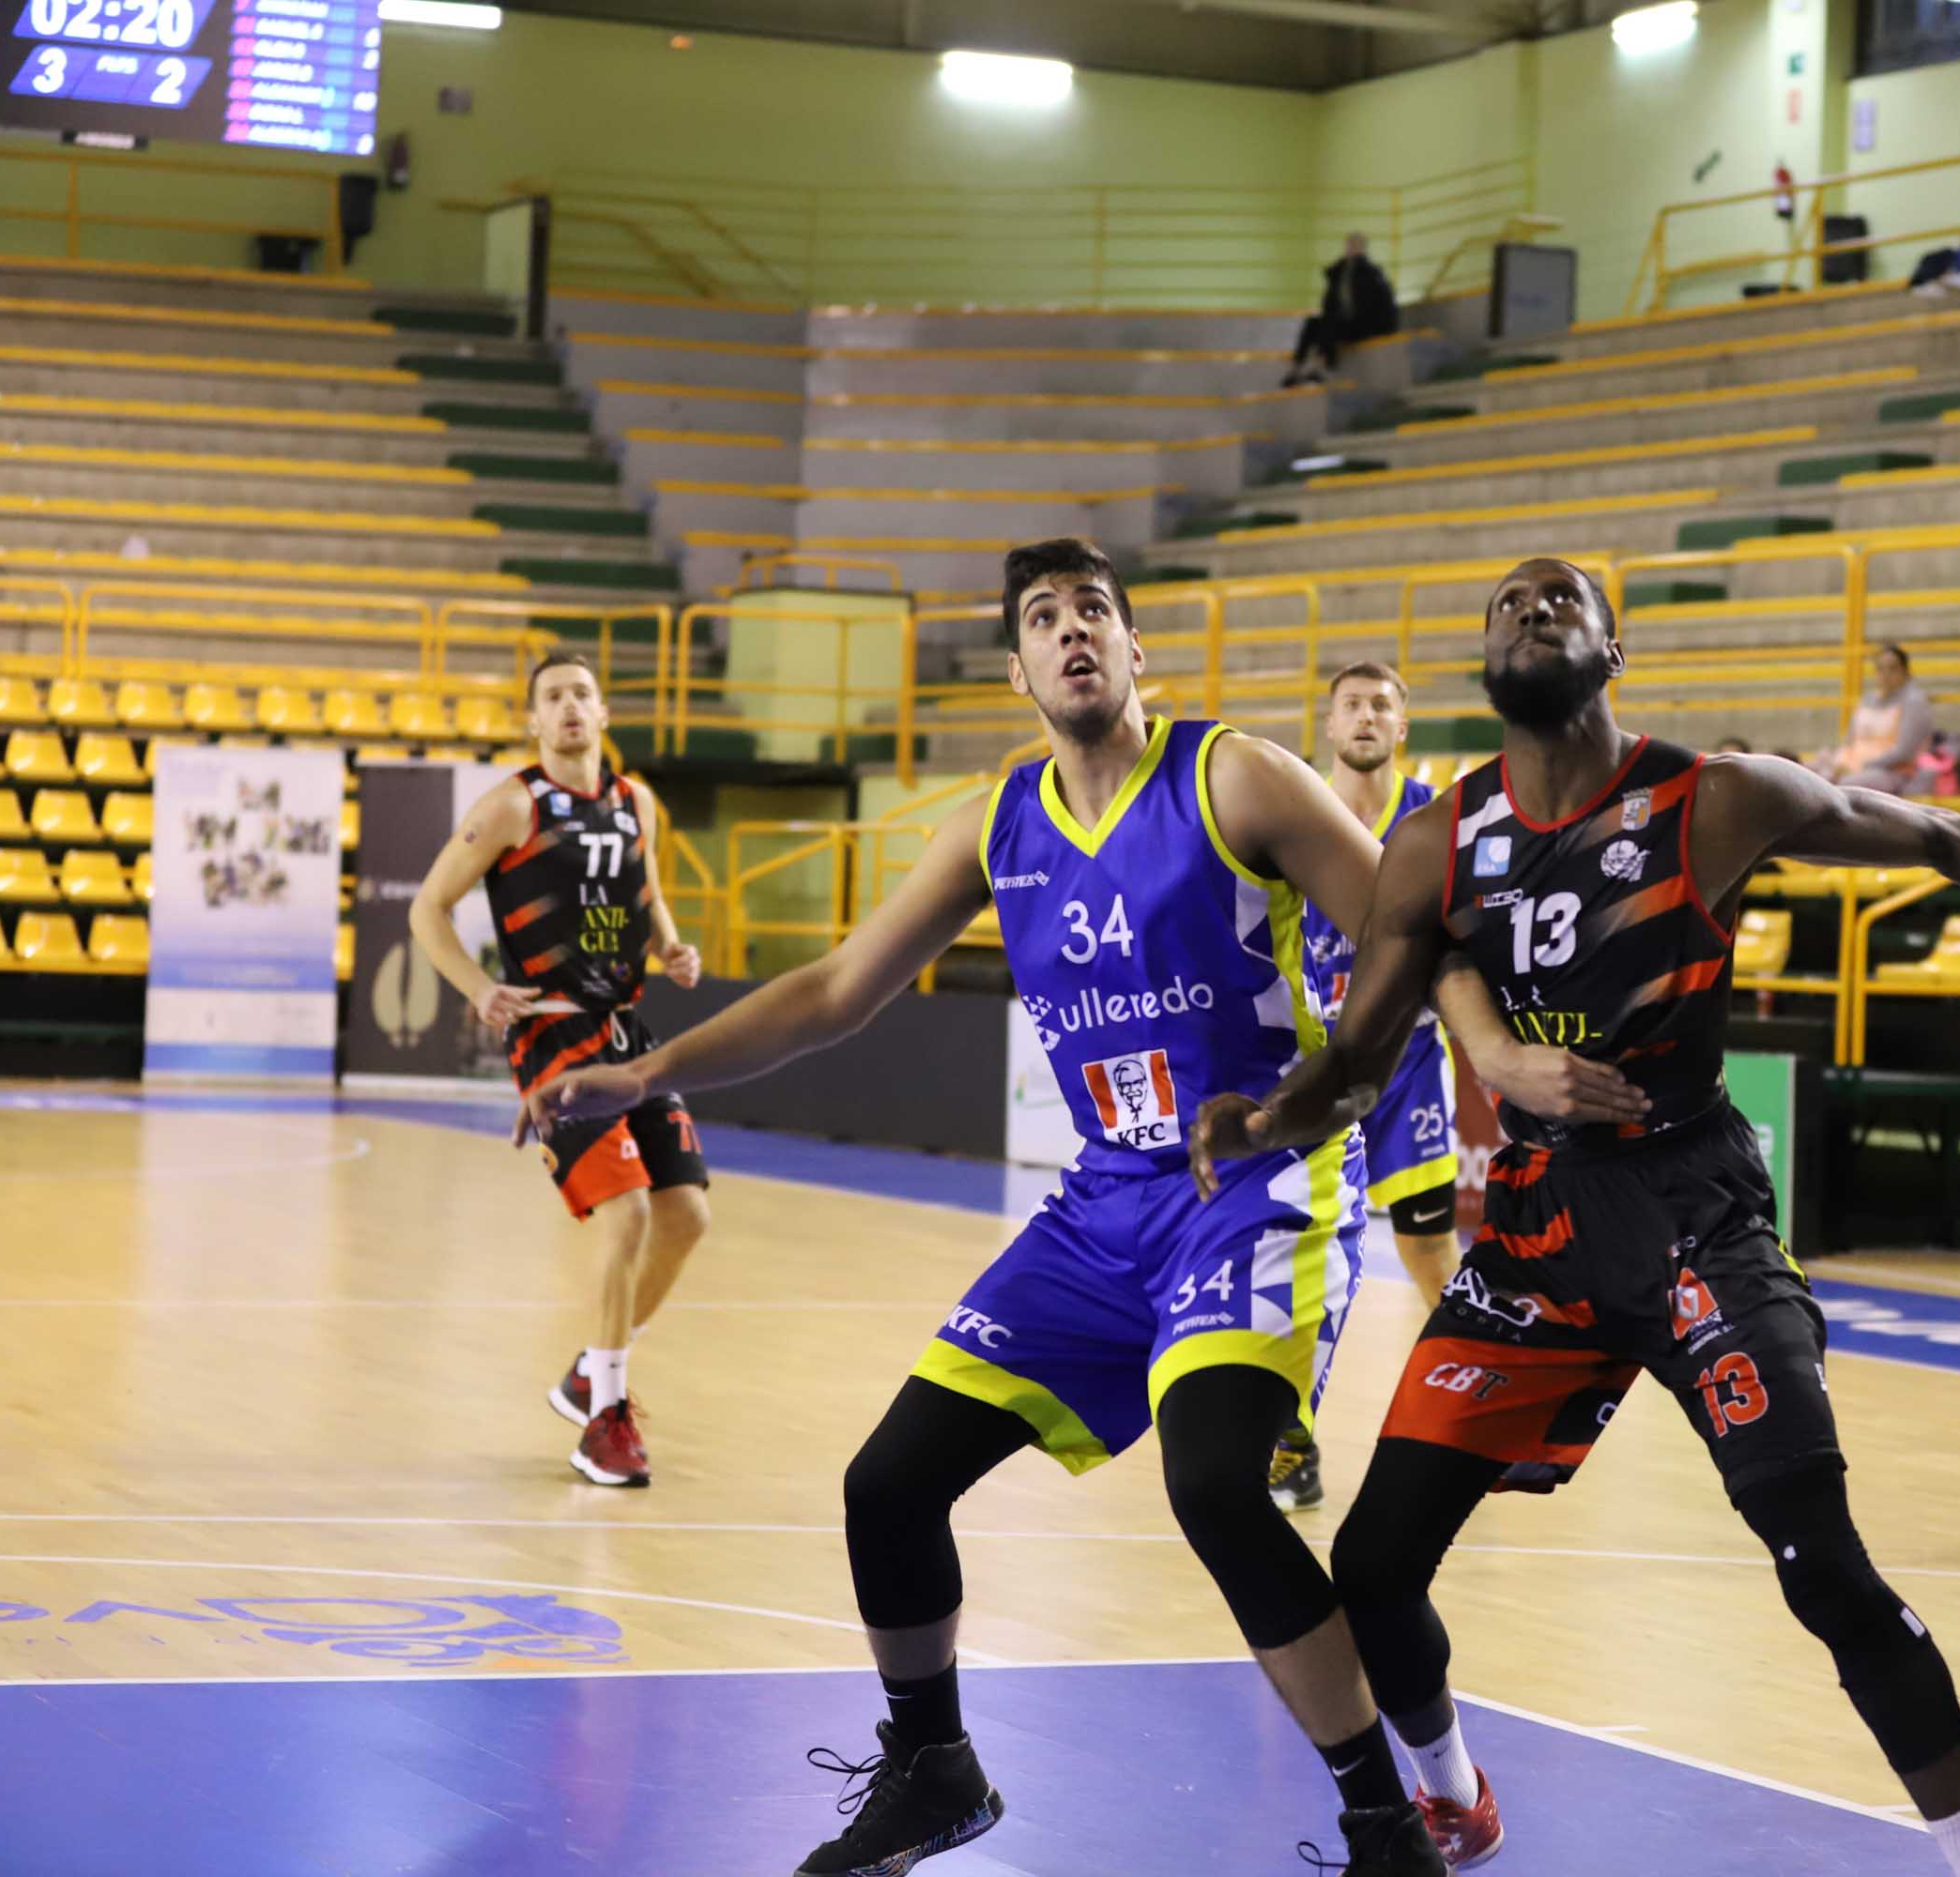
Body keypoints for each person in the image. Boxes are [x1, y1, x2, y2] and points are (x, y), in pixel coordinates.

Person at [516, 540, 1589, 1877]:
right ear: (1018, 668)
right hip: (1101, 1212)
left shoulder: (1236, 774)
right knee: (886, 1488)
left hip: (1257, 1186)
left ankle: (1389, 1825)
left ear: (1136, 653)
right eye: (1042, 616)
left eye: (1095, 611)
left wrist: (1490, 1058)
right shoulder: (997, 821)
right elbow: (838, 991)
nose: (1071, 630)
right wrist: (648, 1068)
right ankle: (933, 1769)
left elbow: (1412, 922)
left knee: (1215, 1488)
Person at [1189, 557, 1960, 1877]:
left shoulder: (1711, 798)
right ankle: (1454, 1801)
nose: (1534, 608)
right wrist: (1258, 1119)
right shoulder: (1438, 840)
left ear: (1614, 653)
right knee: (1376, 1562)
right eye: (1511, 602)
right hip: (1538, 1228)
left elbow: (1951, 837)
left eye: (1564, 598)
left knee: (1823, 1565)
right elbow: (1354, 1059)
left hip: (1695, 1207)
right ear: (1484, 661)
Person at [408, 652, 711, 1490]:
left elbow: (643, 895)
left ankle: (590, 1371)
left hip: (627, 1033)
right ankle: (605, 1420)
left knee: (686, 1214)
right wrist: (478, 990)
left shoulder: (635, 800)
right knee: (626, 1218)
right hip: (551, 1040)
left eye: (582, 693)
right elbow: (425, 907)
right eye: (553, 697)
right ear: (535, 723)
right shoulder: (510, 806)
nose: (570, 706)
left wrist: (670, 945)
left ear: (602, 711)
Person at [1270, 660, 1463, 1515]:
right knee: (1307, 1267)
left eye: (1382, 704)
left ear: (1402, 725)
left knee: (1430, 1254)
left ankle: (1470, 1422)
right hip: (1323, 1063)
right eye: (1351, 703)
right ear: (1328, 721)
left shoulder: (1439, 814)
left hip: (1412, 1058)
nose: (1366, 715)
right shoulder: (1288, 807)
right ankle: (1291, 1443)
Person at [1284, 233, 1400, 388]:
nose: (1351, 249)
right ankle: (1296, 368)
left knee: (1331, 322)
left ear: (1363, 249)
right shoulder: (1339, 273)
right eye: (1349, 245)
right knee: (1313, 323)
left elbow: (1383, 306)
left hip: (1363, 326)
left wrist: (1387, 331)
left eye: (1355, 246)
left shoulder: (1371, 274)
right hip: (1341, 323)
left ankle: (1324, 366)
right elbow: (1328, 304)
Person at [1818, 642, 1934, 792]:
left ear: (1905, 672)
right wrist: (1839, 762)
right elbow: (1849, 741)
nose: (1886, 675)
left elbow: (1904, 751)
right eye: (1880, 669)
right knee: (1810, 774)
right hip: (1853, 766)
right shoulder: (1867, 699)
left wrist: (1861, 767)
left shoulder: (1914, 702)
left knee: (1841, 788)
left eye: (1892, 669)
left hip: (1891, 772)